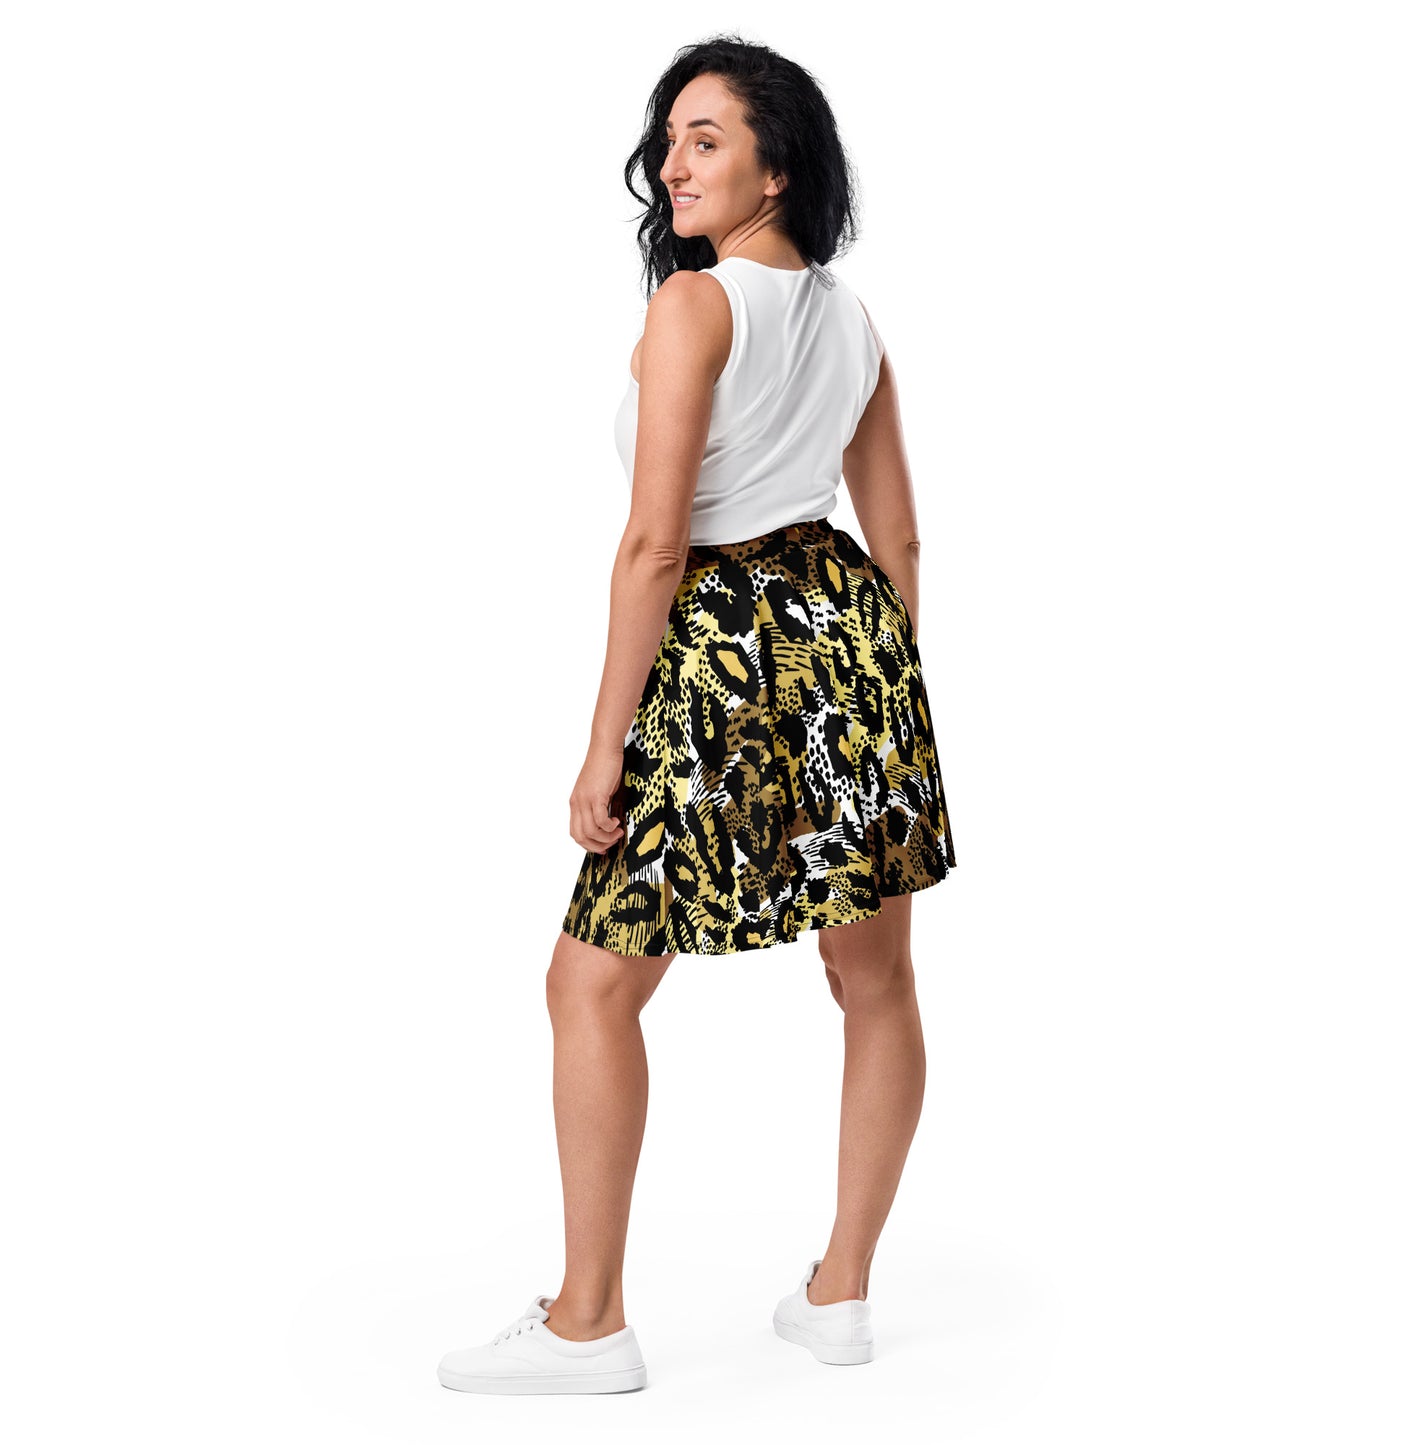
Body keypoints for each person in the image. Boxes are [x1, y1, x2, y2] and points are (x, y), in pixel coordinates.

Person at [438, 35, 957, 1396]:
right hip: (849, 639)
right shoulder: (852, 320)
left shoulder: (695, 305)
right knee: (874, 977)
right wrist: (869, 702)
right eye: (668, 138)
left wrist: (603, 745)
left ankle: (587, 1325)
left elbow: (654, 547)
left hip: (718, 651)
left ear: (776, 168)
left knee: (590, 982)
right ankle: (840, 1294)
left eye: (706, 138)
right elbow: (899, 539)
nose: (671, 163)